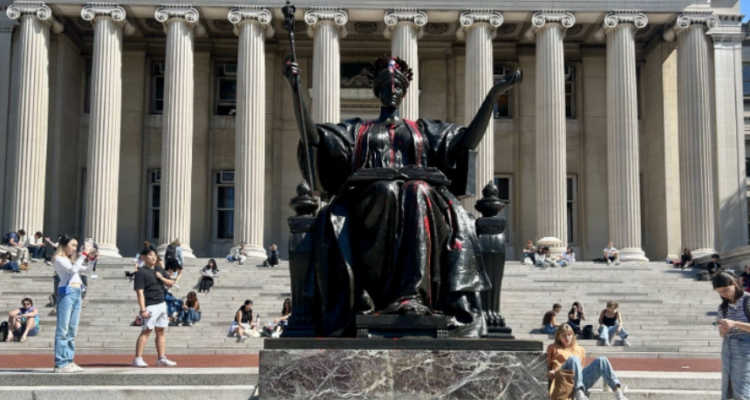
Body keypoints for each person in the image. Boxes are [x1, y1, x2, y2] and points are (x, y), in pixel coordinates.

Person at [281, 57, 520, 336]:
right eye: (385, 84)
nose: (391, 89)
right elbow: (316, 141)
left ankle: (413, 296)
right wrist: (296, 90)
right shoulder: (357, 132)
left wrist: (493, 97)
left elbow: (466, 142)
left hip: (422, 204)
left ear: (405, 91)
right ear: (376, 90)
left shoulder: (423, 131)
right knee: (386, 189)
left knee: (416, 189)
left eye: (397, 85)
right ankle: (375, 294)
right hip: (367, 206)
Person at [547, 324, 629, 400]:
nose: (567, 338)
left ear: (573, 335)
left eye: (569, 334)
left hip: (578, 380)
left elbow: (580, 368)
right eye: (564, 335)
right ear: (558, 336)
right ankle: (578, 391)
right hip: (562, 379)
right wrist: (554, 372)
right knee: (573, 359)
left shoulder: (580, 349)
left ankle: (618, 393)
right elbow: (548, 367)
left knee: (602, 360)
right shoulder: (553, 348)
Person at [132, 245, 177, 368]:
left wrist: (161, 277)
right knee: (146, 331)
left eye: (154, 255)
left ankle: (161, 358)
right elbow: (139, 292)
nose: (153, 257)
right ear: (143, 257)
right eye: (150, 255)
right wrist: (143, 310)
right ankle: (137, 358)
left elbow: (171, 283)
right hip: (150, 305)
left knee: (161, 331)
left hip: (162, 304)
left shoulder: (159, 269)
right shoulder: (141, 272)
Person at [53, 234, 89, 373]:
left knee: (72, 329)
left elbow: (89, 270)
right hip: (66, 293)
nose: (74, 248)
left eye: (76, 246)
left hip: (77, 293)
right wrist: (83, 254)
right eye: (72, 245)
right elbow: (73, 270)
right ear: (64, 245)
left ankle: (69, 360)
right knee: (63, 329)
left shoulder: (72, 261)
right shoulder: (59, 259)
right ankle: (60, 363)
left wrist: (91, 259)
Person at [713, 272, 750, 400]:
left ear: (734, 284)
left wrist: (734, 323)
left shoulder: (747, 300)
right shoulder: (723, 307)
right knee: (727, 389)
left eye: (725, 290)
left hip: (746, 349)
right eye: (720, 292)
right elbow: (722, 335)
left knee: (742, 388)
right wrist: (723, 331)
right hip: (727, 347)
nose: (723, 294)